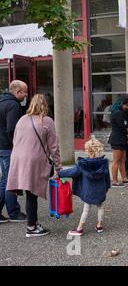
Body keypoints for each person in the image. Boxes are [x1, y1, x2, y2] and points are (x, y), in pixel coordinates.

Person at [7, 94, 62, 237]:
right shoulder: (47, 121)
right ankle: (31, 228)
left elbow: (15, 139)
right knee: (32, 194)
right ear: (46, 105)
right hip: (34, 160)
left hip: (18, 159)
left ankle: (33, 222)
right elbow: (53, 147)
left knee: (29, 194)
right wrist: (58, 166)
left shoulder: (22, 120)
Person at [59, 137, 111, 236]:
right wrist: (107, 187)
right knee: (101, 207)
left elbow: (72, 172)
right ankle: (99, 225)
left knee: (86, 209)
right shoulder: (104, 163)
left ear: (87, 150)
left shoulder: (83, 164)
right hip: (101, 190)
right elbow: (107, 177)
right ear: (99, 149)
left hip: (88, 191)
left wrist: (60, 173)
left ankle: (80, 228)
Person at [0, 80, 28, 224]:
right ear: (17, 92)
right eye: (24, 92)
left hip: (1, 146)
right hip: (8, 147)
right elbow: (13, 129)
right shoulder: (13, 105)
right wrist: (18, 145)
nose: (26, 95)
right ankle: (14, 212)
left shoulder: (2, 101)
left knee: (5, 179)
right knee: (10, 180)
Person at [109, 97, 128, 187]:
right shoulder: (117, 113)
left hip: (121, 139)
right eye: (126, 105)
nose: (127, 107)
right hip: (117, 139)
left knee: (123, 160)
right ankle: (115, 181)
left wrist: (127, 129)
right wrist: (127, 133)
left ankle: (124, 178)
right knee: (116, 161)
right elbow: (122, 126)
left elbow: (125, 124)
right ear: (121, 104)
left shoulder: (119, 113)